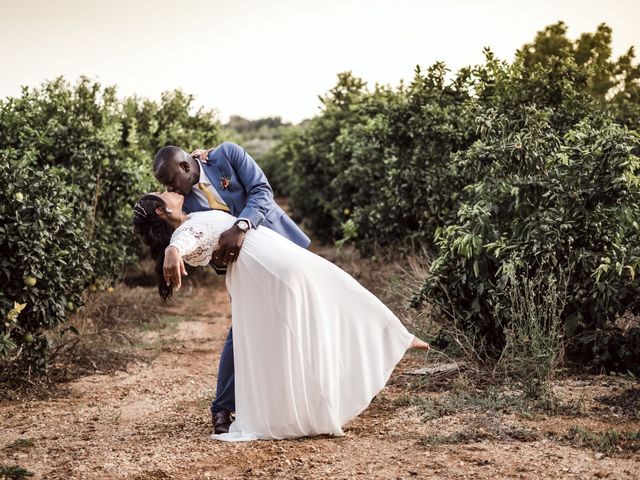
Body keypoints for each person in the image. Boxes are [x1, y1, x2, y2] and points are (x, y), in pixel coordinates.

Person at [132, 191, 430, 441]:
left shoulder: (190, 217)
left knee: (326, 298)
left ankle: (391, 336)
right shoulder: (184, 232)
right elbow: (187, 240)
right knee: (331, 295)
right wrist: (173, 249)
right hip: (269, 265)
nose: (169, 189)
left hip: (266, 262)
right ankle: (389, 338)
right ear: (162, 209)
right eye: (163, 193)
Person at [152, 142, 310, 434]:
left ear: (186, 166)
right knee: (242, 329)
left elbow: (261, 191)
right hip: (242, 267)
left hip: (282, 246)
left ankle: (344, 381)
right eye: (166, 186)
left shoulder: (226, 154)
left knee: (309, 316)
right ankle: (222, 409)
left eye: (172, 180)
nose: (172, 189)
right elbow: (198, 233)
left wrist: (241, 226)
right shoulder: (183, 202)